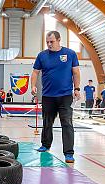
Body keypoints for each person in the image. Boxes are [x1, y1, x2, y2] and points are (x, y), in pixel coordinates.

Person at [31, 31, 80, 163]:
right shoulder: (42, 55)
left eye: (51, 41)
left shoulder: (70, 54)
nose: (49, 44)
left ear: (59, 40)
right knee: (47, 122)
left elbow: (75, 72)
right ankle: (45, 145)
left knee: (67, 123)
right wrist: (33, 85)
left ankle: (69, 153)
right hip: (48, 96)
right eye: (47, 42)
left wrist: (77, 88)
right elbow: (35, 72)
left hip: (65, 96)